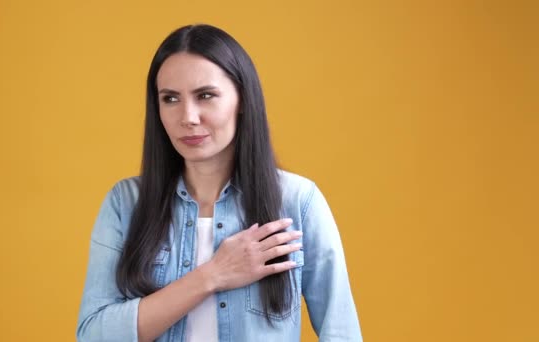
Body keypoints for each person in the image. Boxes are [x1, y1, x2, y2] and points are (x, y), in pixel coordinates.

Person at [76, 24, 362, 342]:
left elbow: (342, 332)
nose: (188, 117)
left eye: (206, 95)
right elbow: (94, 334)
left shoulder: (297, 201)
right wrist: (213, 275)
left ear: (242, 99)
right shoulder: (125, 203)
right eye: (170, 98)